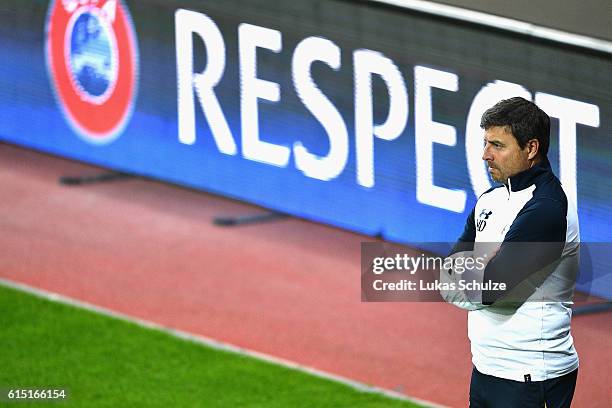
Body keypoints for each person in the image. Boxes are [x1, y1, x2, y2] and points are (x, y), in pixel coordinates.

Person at [441, 97, 580, 407]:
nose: (485, 155)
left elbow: (494, 290)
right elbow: (447, 278)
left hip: (531, 378)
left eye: (497, 145)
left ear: (530, 148)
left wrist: (481, 275)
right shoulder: (489, 201)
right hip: (486, 368)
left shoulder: (547, 208)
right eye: (486, 143)